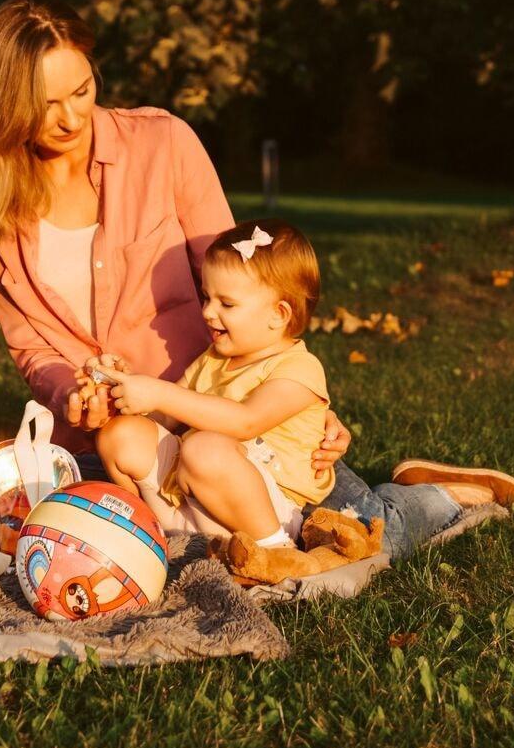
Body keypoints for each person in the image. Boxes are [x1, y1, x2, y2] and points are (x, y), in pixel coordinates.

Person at [0, 0, 514, 565]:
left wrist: (291, 400)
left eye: (82, 90)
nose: (72, 117)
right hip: (121, 448)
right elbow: (33, 349)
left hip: (230, 421)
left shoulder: (161, 144)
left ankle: (432, 493)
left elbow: (247, 283)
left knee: (363, 536)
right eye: (46, 103)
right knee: (154, 552)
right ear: (5, 106)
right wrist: (72, 397)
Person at [91, 219, 338, 549]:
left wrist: (160, 392)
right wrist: (124, 390)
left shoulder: (300, 368)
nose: (208, 312)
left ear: (278, 315)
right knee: (121, 435)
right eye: (207, 298)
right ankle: (144, 530)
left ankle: (276, 552)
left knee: (204, 448)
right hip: (188, 499)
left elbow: (245, 421)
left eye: (227, 304)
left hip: (260, 513)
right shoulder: (212, 359)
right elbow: (163, 419)